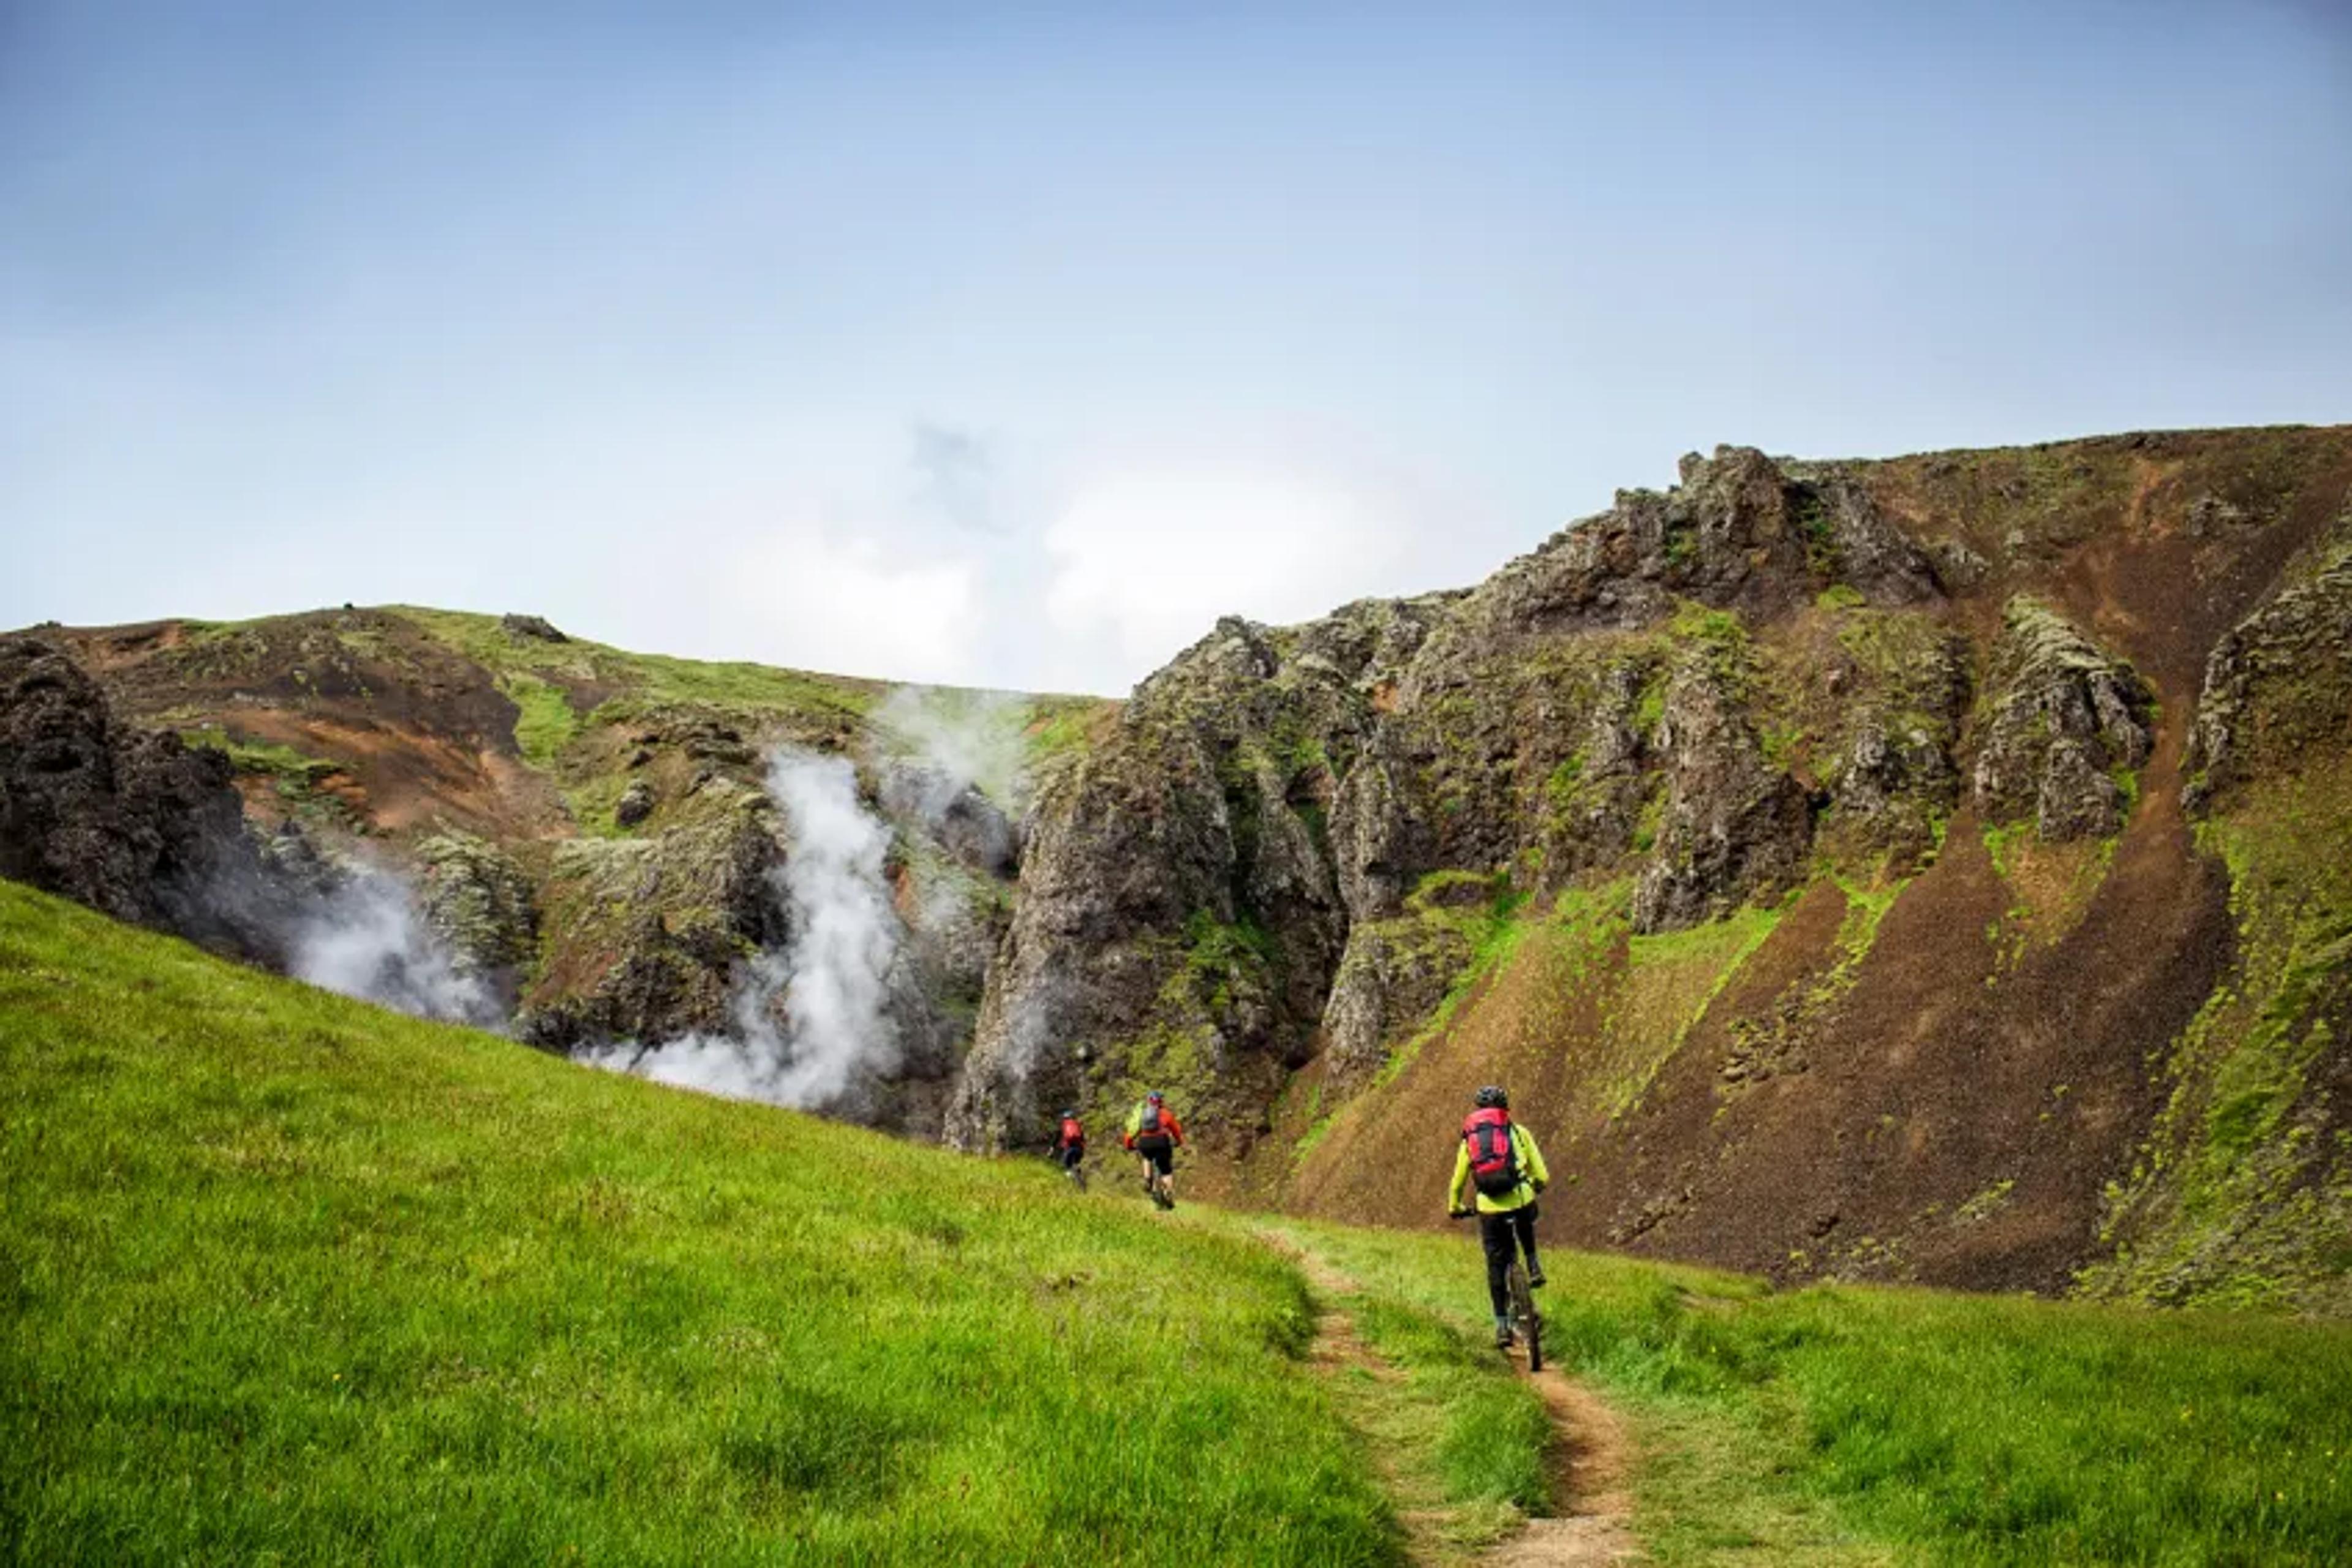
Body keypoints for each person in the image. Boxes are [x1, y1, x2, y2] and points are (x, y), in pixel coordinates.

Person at [1447, 1085, 1550, 1348]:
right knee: (1528, 1212)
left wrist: (1456, 1207)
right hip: (1520, 1199)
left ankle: (1502, 1327)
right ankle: (1533, 1264)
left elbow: (1458, 1181)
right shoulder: (1519, 1132)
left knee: (1496, 1265)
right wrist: (1534, 1186)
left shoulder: (1470, 1140)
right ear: (1506, 1110)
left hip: (1490, 1208)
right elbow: (1542, 1175)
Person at [1121, 1090, 1186, 1208]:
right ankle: (1168, 1195)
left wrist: (1129, 1145)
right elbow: (1176, 1131)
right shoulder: (1166, 1113)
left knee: (1147, 1157)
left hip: (1145, 1143)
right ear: (1161, 1101)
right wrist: (1180, 1143)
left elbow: (1130, 1132)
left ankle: (1147, 1179)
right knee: (1166, 1170)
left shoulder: (1141, 1114)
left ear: (1148, 1101)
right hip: (1162, 1142)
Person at [1050, 1107, 1087, 1189]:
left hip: (1069, 1149)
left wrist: (1052, 1149)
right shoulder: (1077, 1124)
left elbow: (1056, 1138)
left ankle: (1070, 1182)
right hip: (1079, 1150)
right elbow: (1083, 1137)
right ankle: (1079, 1174)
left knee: (1066, 1166)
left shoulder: (1063, 1126)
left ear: (1064, 1118)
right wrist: (1083, 1147)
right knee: (1077, 1162)